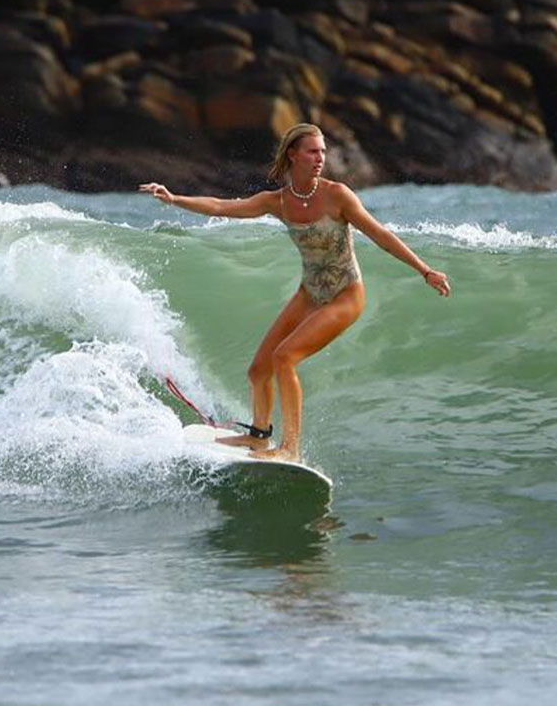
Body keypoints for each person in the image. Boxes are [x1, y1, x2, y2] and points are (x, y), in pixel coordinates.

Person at [140, 123, 450, 461]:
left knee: (284, 358)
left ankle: (290, 448)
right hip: (309, 293)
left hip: (346, 294)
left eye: (323, 152)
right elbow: (220, 206)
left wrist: (425, 270)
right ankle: (259, 437)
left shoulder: (337, 195)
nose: (320, 158)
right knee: (258, 369)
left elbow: (381, 236)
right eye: (312, 151)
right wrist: (173, 199)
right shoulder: (279, 202)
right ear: (293, 154)